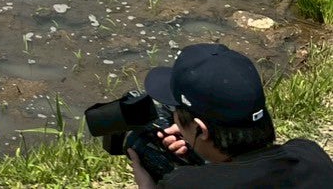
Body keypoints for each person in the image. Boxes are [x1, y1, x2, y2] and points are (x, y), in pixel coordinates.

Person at [129, 43, 333, 187]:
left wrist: (147, 185)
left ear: (201, 129)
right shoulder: (311, 156)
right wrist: (207, 160)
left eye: (175, 112)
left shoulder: (184, 184)